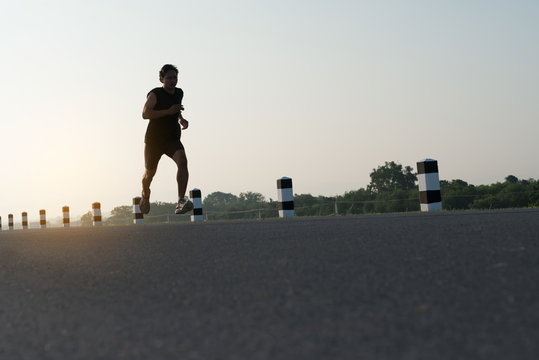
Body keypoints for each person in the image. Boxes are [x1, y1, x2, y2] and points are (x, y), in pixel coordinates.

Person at [139, 64, 193, 215]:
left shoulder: (179, 92)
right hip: (154, 141)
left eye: (175, 77)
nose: (172, 81)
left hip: (172, 138)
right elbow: (145, 114)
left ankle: (180, 201)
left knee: (182, 161)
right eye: (168, 78)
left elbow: (175, 108)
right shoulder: (155, 94)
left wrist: (181, 119)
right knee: (149, 174)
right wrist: (168, 111)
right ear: (161, 79)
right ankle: (145, 194)